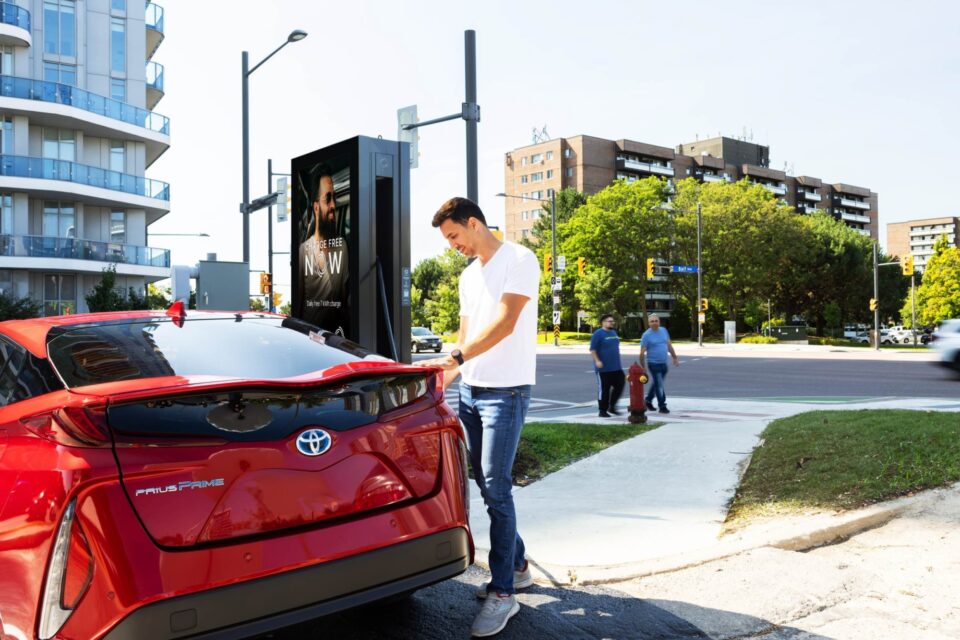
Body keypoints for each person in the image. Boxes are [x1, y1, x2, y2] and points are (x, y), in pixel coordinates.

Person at [416, 197, 539, 638]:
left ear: (473, 223)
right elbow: (465, 335)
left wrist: (458, 354)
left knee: (498, 487)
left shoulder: (520, 260)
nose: (452, 246)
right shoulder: (469, 275)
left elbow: (506, 322)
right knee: (486, 487)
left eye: (453, 236)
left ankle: (504, 592)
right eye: (447, 240)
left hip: (507, 391)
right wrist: (443, 377)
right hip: (471, 389)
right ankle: (520, 565)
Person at [298, 168, 349, 334]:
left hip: (335, 338)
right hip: (310, 339)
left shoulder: (342, 246)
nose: (333, 204)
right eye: (328, 199)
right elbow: (298, 307)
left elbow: (344, 300)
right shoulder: (303, 251)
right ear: (316, 207)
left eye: (334, 197)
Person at [639, 313, 679, 414]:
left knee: (657, 384)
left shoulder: (664, 330)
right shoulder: (646, 335)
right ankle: (662, 406)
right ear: (648, 323)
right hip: (653, 364)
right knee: (659, 385)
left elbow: (669, 345)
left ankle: (648, 400)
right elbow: (642, 353)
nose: (654, 323)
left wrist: (674, 357)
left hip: (664, 363)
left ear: (659, 321)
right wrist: (643, 367)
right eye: (652, 321)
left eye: (656, 321)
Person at [590, 314, 625, 417]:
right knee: (604, 390)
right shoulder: (598, 334)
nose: (612, 323)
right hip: (603, 369)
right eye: (610, 321)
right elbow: (593, 349)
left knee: (620, 385)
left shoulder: (614, 333)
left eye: (612, 321)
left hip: (616, 367)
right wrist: (597, 361)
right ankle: (602, 410)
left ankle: (612, 407)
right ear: (603, 322)